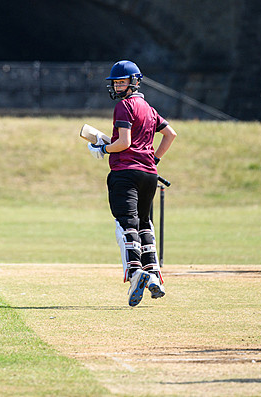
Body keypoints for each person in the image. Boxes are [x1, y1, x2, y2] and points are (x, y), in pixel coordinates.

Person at [88, 60, 177, 307]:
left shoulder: (125, 107)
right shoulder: (148, 108)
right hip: (149, 174)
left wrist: (103, 148)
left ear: (134, 82)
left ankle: (137, 273)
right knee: (144, 224)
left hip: (125, 173)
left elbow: (124, 143)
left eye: (121, 82)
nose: (117, 86)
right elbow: (170, 134)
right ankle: (155, 277)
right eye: (115, 82)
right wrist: (154, 158)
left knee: (126, 225)